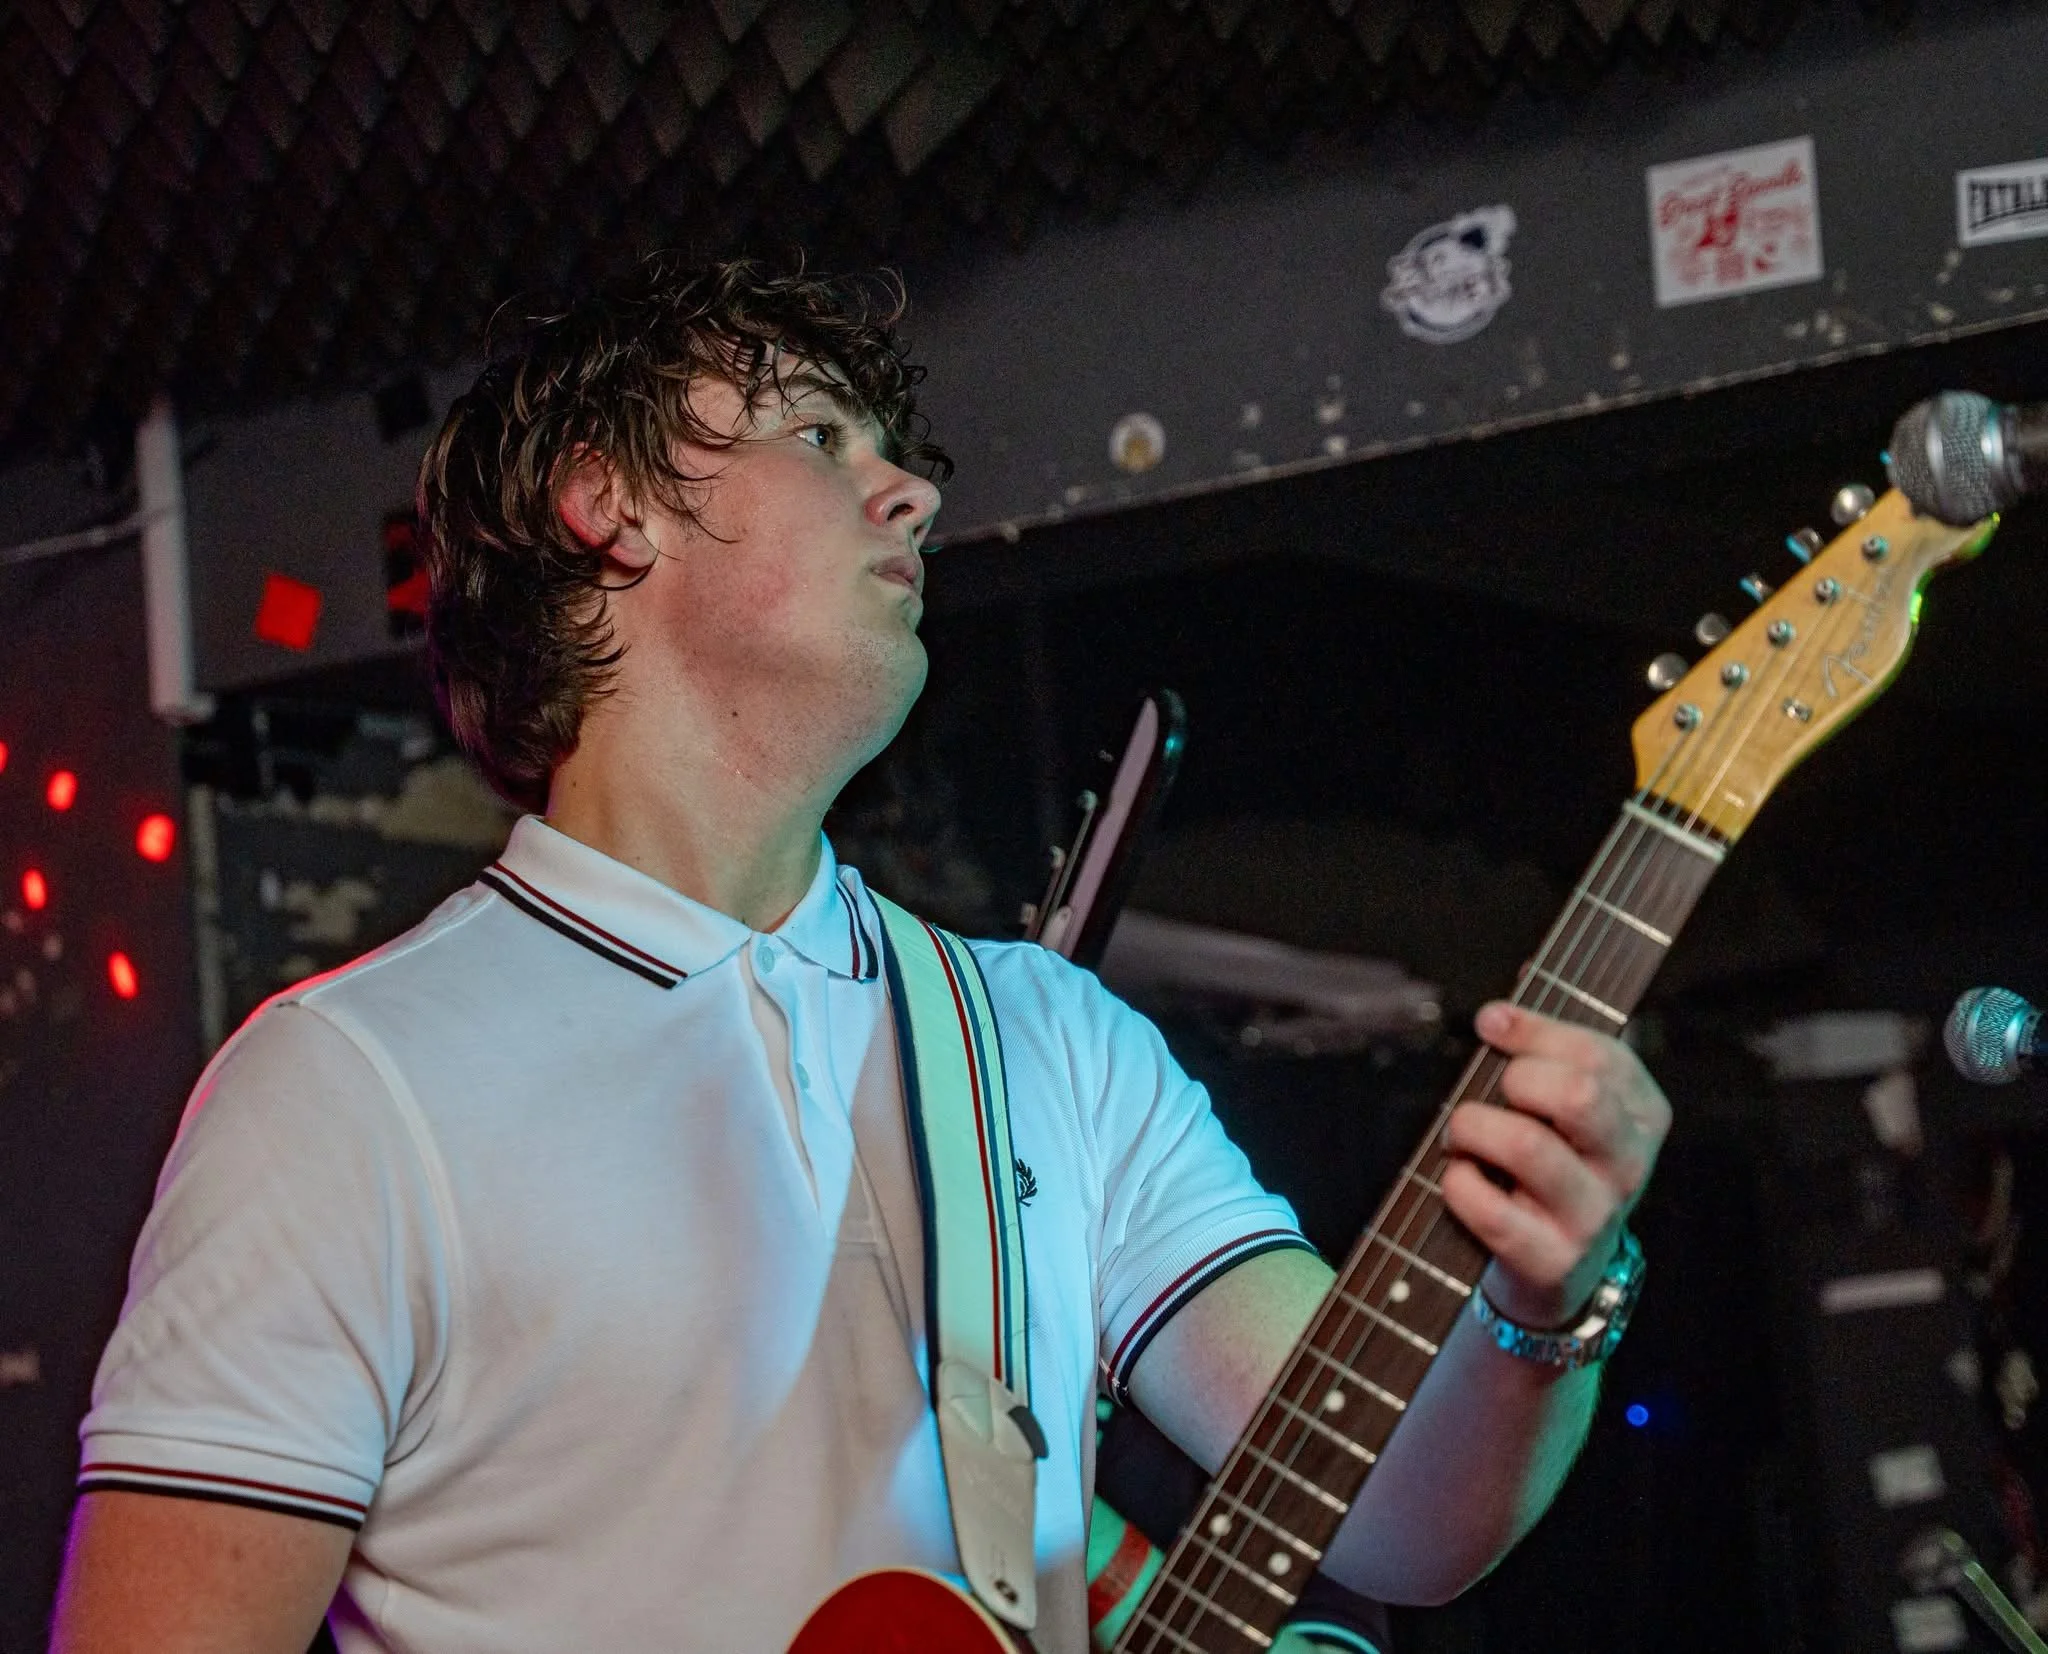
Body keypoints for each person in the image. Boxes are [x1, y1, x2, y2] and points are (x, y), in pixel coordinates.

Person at [49, 256, 1671, 1654]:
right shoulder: (347, 1086)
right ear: (608, 511)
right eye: (822, 436)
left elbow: (1391, 1513)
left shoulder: (1046, 1035)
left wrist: (1546, 1300)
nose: (910, 492)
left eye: (893, 452)